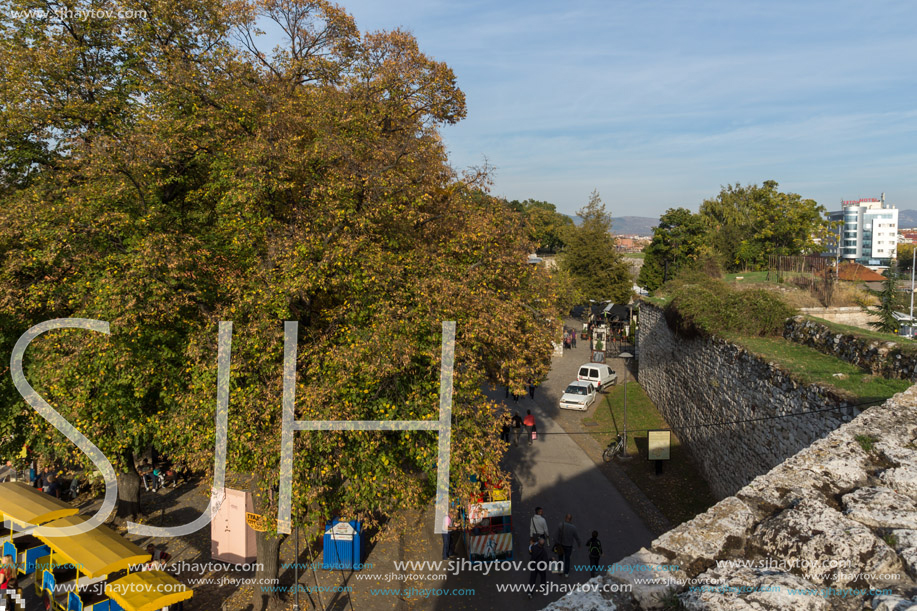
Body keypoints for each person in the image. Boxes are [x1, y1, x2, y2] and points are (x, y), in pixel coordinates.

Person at [555, 514, 582, 578]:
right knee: (567, 559)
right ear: (571, 519)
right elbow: (577, 537)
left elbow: (556, 535)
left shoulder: (561, 525)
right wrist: (579, 544)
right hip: (569, 546)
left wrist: (557, 543)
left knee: (560, 558)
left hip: (561, 545)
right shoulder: (573, 528)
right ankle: (566, 573)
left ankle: (560, 570)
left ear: (565, 518)